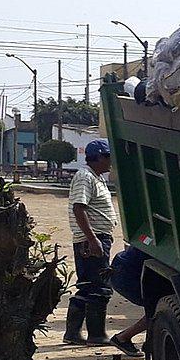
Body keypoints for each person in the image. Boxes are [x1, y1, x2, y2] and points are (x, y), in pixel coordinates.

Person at [64, 139, 117, 346]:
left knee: (87, 286)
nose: (111, 162)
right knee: (99, 287)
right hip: (92, 240)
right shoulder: (85, 177)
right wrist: (92, 239)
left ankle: (72, 333)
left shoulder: (96, 177)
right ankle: (96, 335)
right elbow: (79, 208)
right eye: (109, 158)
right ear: (100, 157)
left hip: (96, 238)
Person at [108, 246, 150, 356]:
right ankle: (122, 338)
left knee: (157, 308)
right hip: (126, 274)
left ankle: (151, 342)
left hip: (123, 267)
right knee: (156, 310)